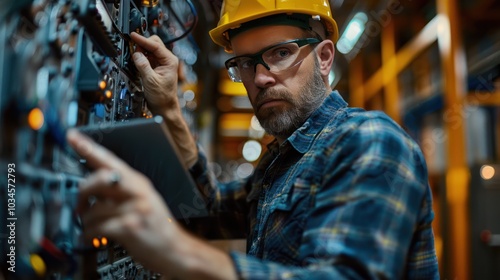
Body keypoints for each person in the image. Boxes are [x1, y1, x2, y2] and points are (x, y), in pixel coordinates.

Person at [66, 0, 439, 279]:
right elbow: (208, 211)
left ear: (325, 58)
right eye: (246, 63)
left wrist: (176, 250)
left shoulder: (369, 141)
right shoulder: (285, 159)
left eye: (280, 53)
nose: (260, 78)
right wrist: (168, 107)